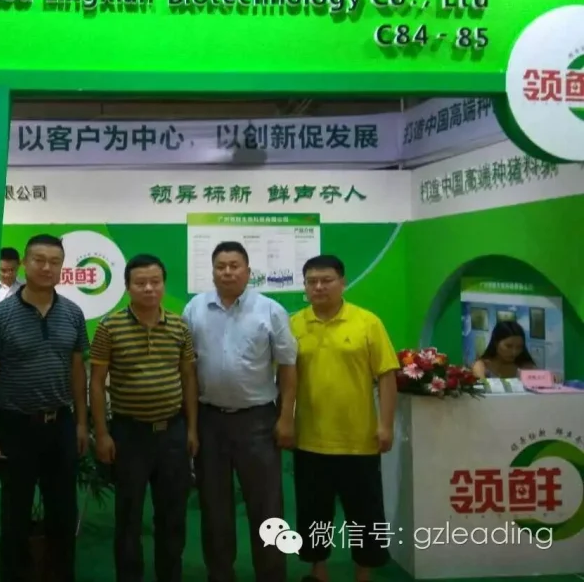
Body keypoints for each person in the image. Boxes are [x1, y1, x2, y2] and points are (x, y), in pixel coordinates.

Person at [0, 234, 89, 582]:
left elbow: (78, 372)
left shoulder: (73, 314)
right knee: (15, 515)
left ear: (62, 267)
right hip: (17, 427)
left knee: (63, 512)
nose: (46, 267)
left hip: (61, 424)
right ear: (25, 263)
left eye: (54, 261)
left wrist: (82, 424)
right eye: (39, 260)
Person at [182, 241, 296, 582]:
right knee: (214, 505)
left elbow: (288, 366)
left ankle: (271, 575)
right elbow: (187, 368)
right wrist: (192, 426)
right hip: (210, 420)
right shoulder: (195, 308)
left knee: (267, 506)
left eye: (235, 266)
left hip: (257, 420)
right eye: (221, 266)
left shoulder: (270, 310)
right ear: (212, 271)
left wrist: (286, 418)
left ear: (248, 271)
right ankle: (220, 574)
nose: (227, 272)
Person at [290, 255, 399, 582]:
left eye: (326, 280)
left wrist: (386, 424)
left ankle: (363, 573)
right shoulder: (293, 324)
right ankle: (318, 571)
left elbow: (387, 375)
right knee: (314, 513)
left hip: (359, 440)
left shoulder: (367, 322)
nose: (319, 287)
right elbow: (285, 379)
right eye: (312, 281)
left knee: (365, 514)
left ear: (343, 282)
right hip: (310, 439)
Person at [90, 254, 198, 582]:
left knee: (172, 515)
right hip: (129, 434)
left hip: (172, 433)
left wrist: (192, 429)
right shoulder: (110, 327)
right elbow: (96, 382)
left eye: (155, 282)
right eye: (140, 283)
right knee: (129, 517)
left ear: (163, 285)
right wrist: (102, 433)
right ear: (128, 287)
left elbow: (189, 378)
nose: (149, 288)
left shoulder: (179, 325)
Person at [472, 320, 537, 379]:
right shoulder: (482, 366)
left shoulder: (527, 368)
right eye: (508, 346)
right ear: (496, 343)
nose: (514, 352)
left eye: (519, 347)